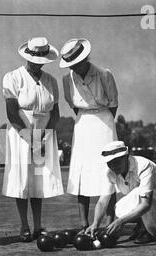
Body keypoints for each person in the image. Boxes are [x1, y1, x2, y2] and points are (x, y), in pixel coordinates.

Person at [2, 37, 64, 242]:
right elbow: (12, 114)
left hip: (44, 133)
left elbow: (55, 113)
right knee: (22, 180)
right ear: (28, 57)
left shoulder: (51, 81)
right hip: (21, 133)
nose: (39, 63)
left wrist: (45, 138)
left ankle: (38, 226)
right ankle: (24, 225)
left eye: (43, 60)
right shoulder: (12, 77)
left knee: (38, 180)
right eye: (36, 59)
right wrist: (30, 139)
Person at [60, 38, 118, 233]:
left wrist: (105, 123)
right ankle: (84, 223)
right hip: (83, 124)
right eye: (71, 64)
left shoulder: (104, 74)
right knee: (82, 171)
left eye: (77, 63)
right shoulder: (67, 79)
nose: (75, 67)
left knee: (108, 171)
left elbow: (113, 103)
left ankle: (110, 223)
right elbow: (74, 106)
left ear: (85, 59)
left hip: (104, 122)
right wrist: (86, 120)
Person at [85, 141, 156, 244]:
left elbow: (146, 204)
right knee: (119, 210)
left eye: (117, 161)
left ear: (126, 156)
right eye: (110, 162)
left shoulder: (144, 165)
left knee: (139, 193)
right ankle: (141, 224)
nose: (113, 166)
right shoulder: (109, 172)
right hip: (140, 197)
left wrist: (121, 221)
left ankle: (147, 230)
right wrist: (95, 223)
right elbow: (102, 201)